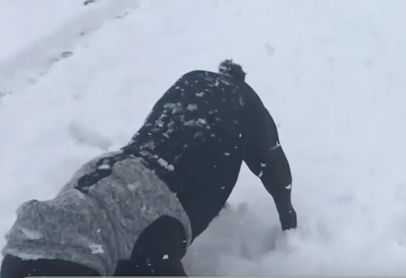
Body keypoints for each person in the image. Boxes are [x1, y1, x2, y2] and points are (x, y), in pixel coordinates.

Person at [0, 61, 296, 277]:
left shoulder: (147, 256)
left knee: (275, 175)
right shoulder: (28, 244)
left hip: (229, 105)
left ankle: (291, 227)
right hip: (139, 180)